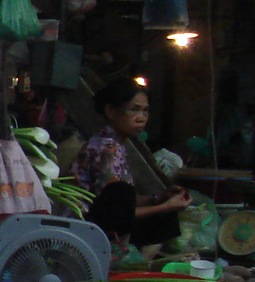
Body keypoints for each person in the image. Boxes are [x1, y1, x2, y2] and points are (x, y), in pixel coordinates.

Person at [74, 78, 189, 250]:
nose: (141, 118)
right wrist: (165, 207)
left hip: (104, 219)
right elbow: (116, 214)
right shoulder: (106, 149)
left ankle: (140, 262)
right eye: (134, 110)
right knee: (160, 212)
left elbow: (121, 205)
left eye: (145, 111)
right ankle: (134, 264)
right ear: (111, 111)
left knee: (160, 210)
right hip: (87, 228)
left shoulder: (114, 145)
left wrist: (159, 198)